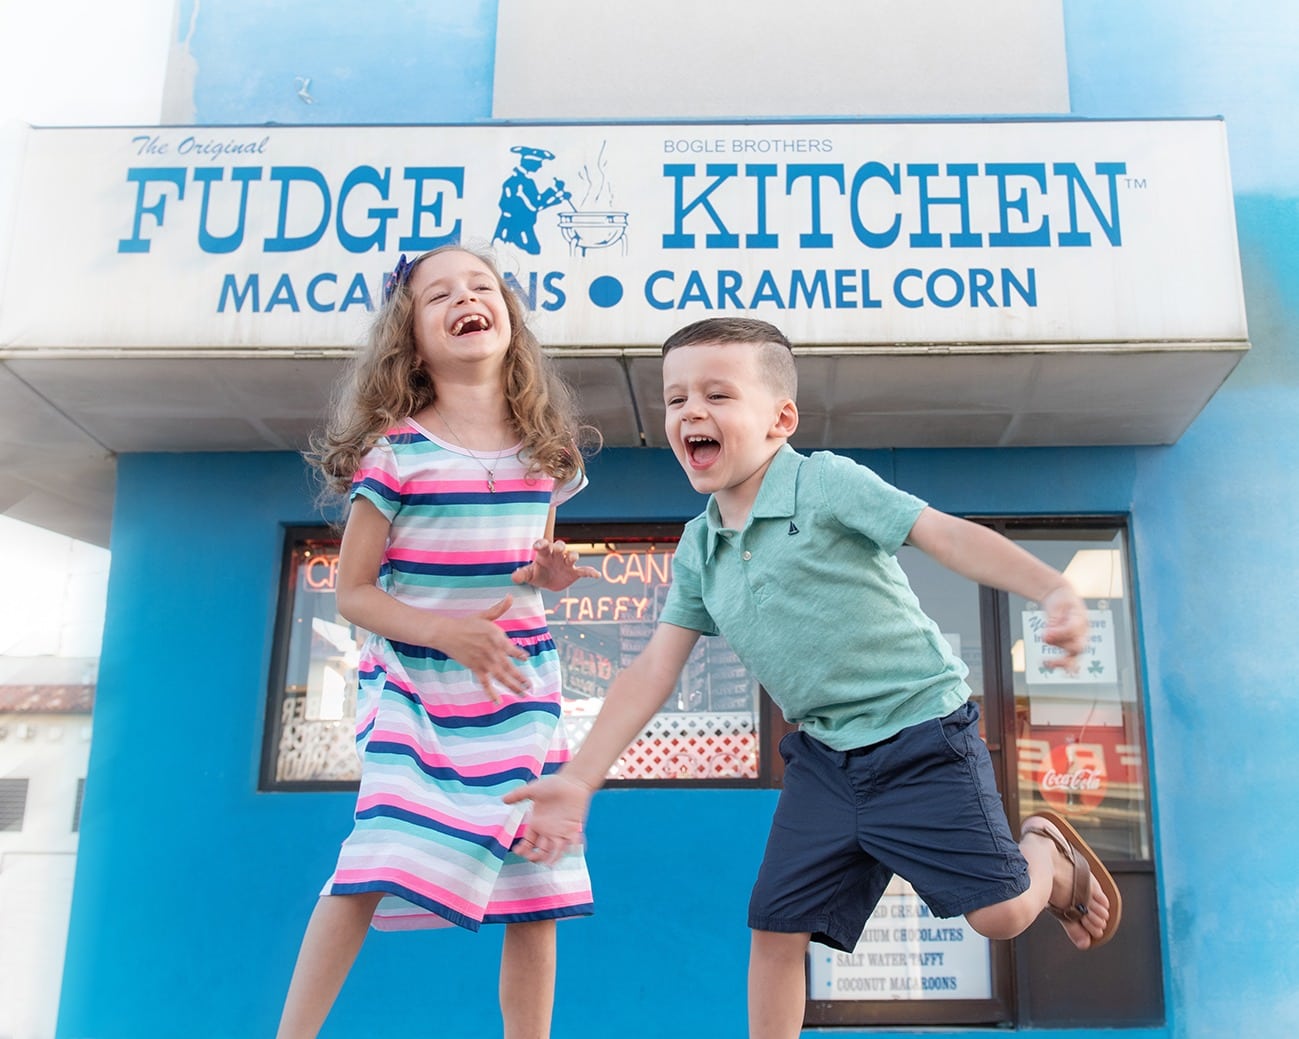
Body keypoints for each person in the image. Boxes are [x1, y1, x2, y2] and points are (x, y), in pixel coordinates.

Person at [505, 317, 1122, 1039]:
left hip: (920, 735)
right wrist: (580, 776)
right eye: (675, 400)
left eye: (716, 394)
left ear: (780, 419)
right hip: (825, 759)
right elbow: (651, 668)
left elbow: (943, 534)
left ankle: (1045, 854)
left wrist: (1050, 587)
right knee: (774, 926)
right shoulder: (699, 548)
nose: (690, 413)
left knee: (1001, 914)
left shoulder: (822, 482)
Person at [275, 245, 600, 1039]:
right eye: (439, 295)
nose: (465, 298)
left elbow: (525, 566)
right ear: (412, 340)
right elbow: (353, 592)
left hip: (513, 690)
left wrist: (547, 574)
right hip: (415, 691)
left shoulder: (544, 456)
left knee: (535, 882)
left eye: (482, 287)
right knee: (369, 857)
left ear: (509, 319)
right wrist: (441, 631)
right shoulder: (396, 454)